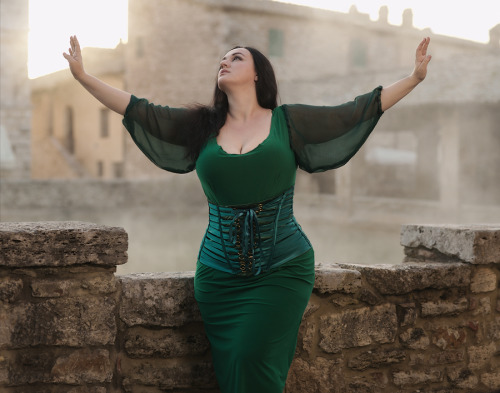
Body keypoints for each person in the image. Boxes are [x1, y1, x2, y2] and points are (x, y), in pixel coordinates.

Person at [64, 35, 431, 393]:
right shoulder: (202, 126)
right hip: (217, 277)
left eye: (236, 57)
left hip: (282, 268)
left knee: (251, 357)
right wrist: (83, 77)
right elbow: (137, 108)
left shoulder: (288, 121)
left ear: (259, 74)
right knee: (233, 369)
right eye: (222, 58)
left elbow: (356, 110)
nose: (225, 61)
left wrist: (413, 78)